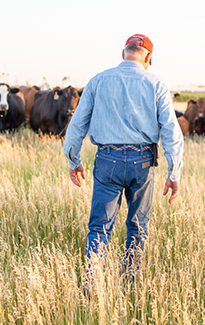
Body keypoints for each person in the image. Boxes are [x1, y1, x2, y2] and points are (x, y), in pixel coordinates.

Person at [64, 34, 183, 294]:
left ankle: (91, 286)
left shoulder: (98, 80)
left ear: (123, 53)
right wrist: (174, 173)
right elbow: (172, 132)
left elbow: (76, 126)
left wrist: (74, 160)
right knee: (138, 225)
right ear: (148, 58)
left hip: (107, 160)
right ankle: (129, 285)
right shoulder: (156, 84)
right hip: (143, 163)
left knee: (99, 227)